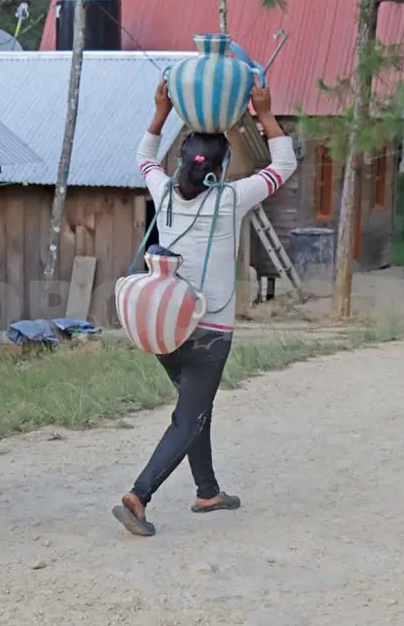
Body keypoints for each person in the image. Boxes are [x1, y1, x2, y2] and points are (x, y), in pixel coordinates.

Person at [112, 81, 298, 537]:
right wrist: (266, 114)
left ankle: (208, 491)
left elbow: (144, 158)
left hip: (165, 329)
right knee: (189, 415)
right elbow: (285, 164)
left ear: (180, 164)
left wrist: (160, 111)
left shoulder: (163, 193)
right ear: (222, 169)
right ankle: (139, 496)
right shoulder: (232, 199)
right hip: (209, 333)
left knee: (198, 407)